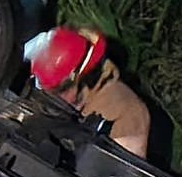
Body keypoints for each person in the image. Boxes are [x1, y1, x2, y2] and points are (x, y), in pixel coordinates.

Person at [24, 24, 151, 159]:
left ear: (84, 79)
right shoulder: (70, 101)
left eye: (60, 90)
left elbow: (119, 175)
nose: (54, 97)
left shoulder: (126, 113)